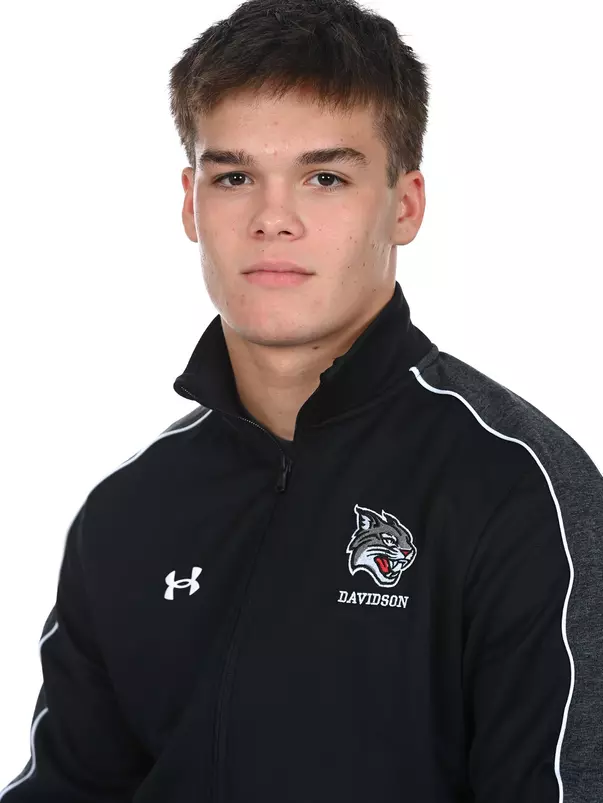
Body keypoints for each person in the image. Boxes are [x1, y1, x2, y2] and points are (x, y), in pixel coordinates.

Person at [1, 0, 601, 800]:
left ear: (404, 205)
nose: (272, 219)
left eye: (325, 177)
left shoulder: (517, 490)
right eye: (234, 176)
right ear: (190, 203)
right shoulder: (128, 510)